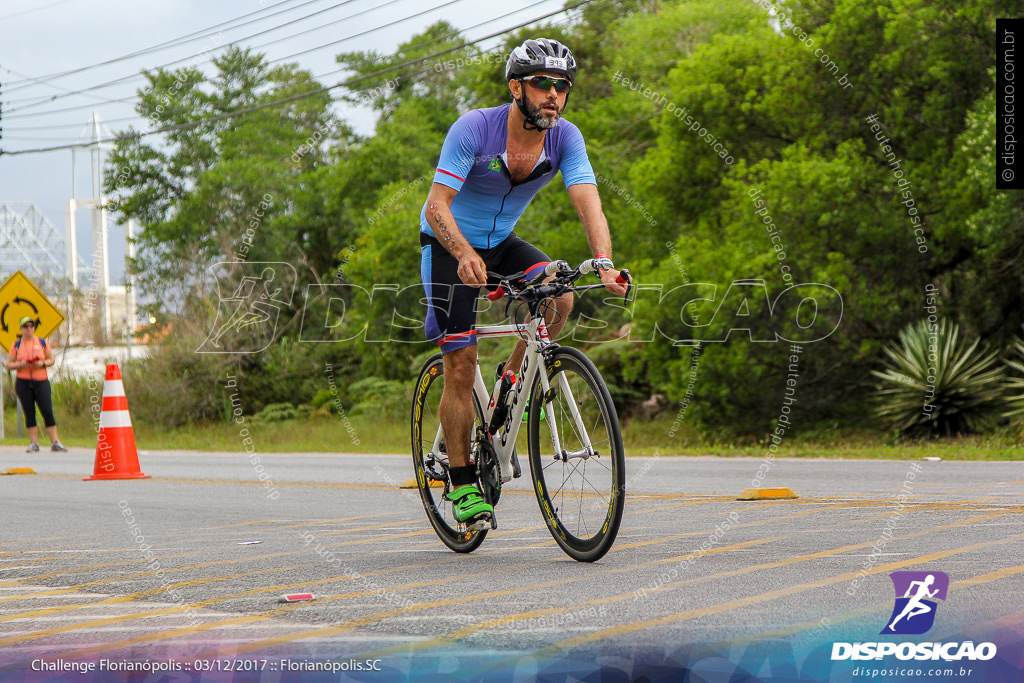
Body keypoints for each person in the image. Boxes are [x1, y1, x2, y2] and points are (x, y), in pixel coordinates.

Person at [418, 38, 627, 529]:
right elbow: (436, 204)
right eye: (542, 84)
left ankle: (511, 377)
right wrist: (465, 254)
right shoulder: (475, 129)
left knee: (561, 297)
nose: (554, 94)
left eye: (562, 86)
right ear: (517, 87)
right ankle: (465, 482)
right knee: (461, 362)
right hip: (449, 247)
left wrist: (604, 261)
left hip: (503, 242)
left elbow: (587, 199)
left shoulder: (565, 138)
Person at [6, 316, 68, 452]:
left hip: (41, 380)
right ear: (22, 329)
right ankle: (34, 442)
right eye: (26, 326)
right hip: (23, 381)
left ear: (34, 328)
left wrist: (42, 363)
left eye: (31, 326)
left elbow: (51, 359)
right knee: (29, 412)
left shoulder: (42, 342)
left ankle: (55, 442)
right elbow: (9, 364)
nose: (29, 329)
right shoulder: (17, 345)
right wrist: (20, 364)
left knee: (47, 410)